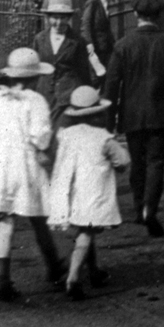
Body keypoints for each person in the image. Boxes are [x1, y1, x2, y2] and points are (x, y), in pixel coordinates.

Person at [103, 0, 164, 238]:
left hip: (131, 114)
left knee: (137, 162)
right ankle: (149, 210)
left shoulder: (123, 45)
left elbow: (111, 85)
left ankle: (137, 207)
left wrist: (108, 119)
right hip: (161, 114)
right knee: (156, 162)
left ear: (136, 15)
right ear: (160, 17)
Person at [48, 85, 130, 301]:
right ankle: (73, 278)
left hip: (70, 190)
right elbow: (122, 160)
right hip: (92, 191)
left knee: (86, 228)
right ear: (98, 113)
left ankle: (94, 270)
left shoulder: (65, 134)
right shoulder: (103, 138)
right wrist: (117, 166)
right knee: (86, 232)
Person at [0, 48, 66, 302]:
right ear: (34, 77)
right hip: (25, 166)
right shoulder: (35, 100)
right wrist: (42, 147)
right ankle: (54, 267)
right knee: (38, 216)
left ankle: (3, 278)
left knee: (4, 221)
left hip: (1, 164)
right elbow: (41, 137)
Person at [33, 0, 92, 128]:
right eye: (55, 17)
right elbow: (35, 68)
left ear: (69, 19)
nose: (58, 23)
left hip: (68, 95)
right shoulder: (40, 39)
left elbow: (84, 72)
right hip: (44, 94)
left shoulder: (77, 41)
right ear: (48, 18)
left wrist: (85, 95)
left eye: (63, 18)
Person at [80, 0, 116, 82]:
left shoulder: (103, 0)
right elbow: (85, 23)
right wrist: (89, 42)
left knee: (105, 72)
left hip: (105, 44)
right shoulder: (94, 1)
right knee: (97, 74)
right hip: (96, 44)